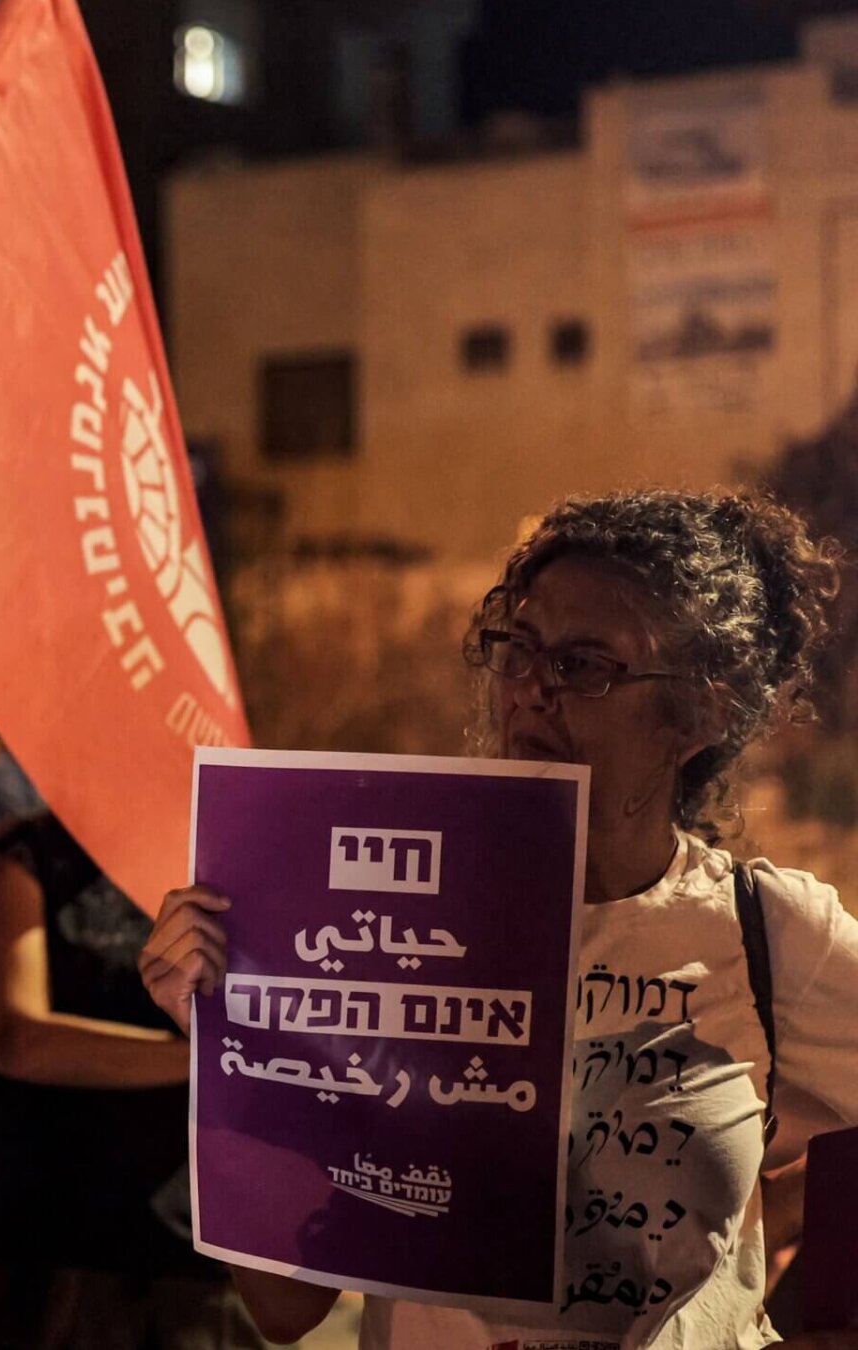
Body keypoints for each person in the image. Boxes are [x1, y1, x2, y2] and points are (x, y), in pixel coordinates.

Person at [140, 489, 858, 1347]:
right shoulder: (384, 926)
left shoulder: (769, 933)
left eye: (585, 665)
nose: (531, 692)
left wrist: (793, 1293)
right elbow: (285, 1308)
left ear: (703, 710)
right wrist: (223, 1041)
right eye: (519, 651)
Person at [0, 811, 262, 1349]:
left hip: (195, 1245)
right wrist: (205, 1059)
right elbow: (18, 1039)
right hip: (54, 1240)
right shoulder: (30, 854)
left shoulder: (227, 863)